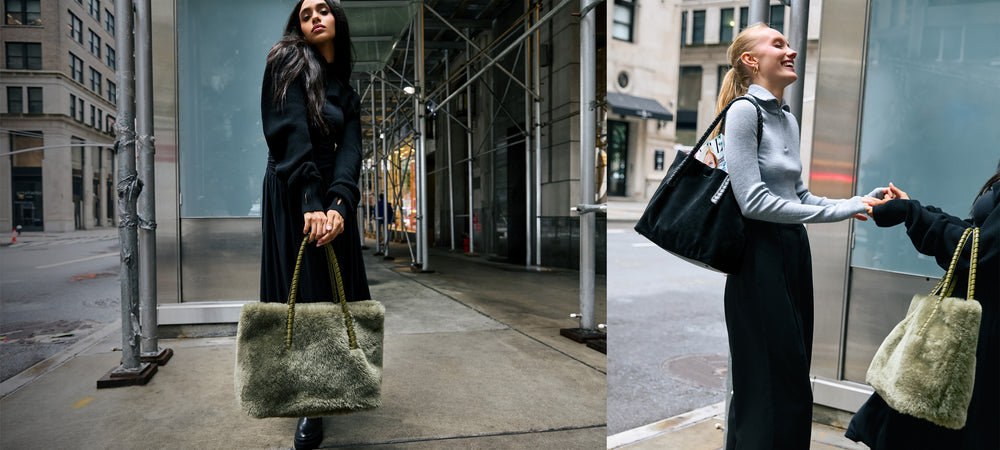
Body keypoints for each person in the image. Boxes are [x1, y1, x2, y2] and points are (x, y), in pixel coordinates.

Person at [716, 23, 884, 449]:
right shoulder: (742, 112)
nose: (790, 50)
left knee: (791, 377)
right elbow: (752, 201)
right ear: (751, 61)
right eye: (778, 44)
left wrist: (854, 201)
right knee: (766, 383)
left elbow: (798, 194)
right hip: (758, 257)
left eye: (789, 44)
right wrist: (842, 211)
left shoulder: (786, 118)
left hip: (791, 251)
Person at [259, 1, 371, 448]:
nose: (314, 19)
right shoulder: (287, 58)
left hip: (330, 192)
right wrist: (310, 198)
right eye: (305, 15)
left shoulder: (346, 89)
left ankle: (335, 382)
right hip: (293, 187)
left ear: (337, 20)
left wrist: (340, 203)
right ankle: (308, 402)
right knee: (302, 290)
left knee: (334, 290)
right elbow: (288, 128)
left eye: (322, 10)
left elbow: (351, 150)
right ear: (299, 26)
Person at [846, 166, 999, 449]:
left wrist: (913, 214)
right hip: (977, 324)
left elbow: (980, 251)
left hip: (986, 332)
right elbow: (976, 235)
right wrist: (913, 209)